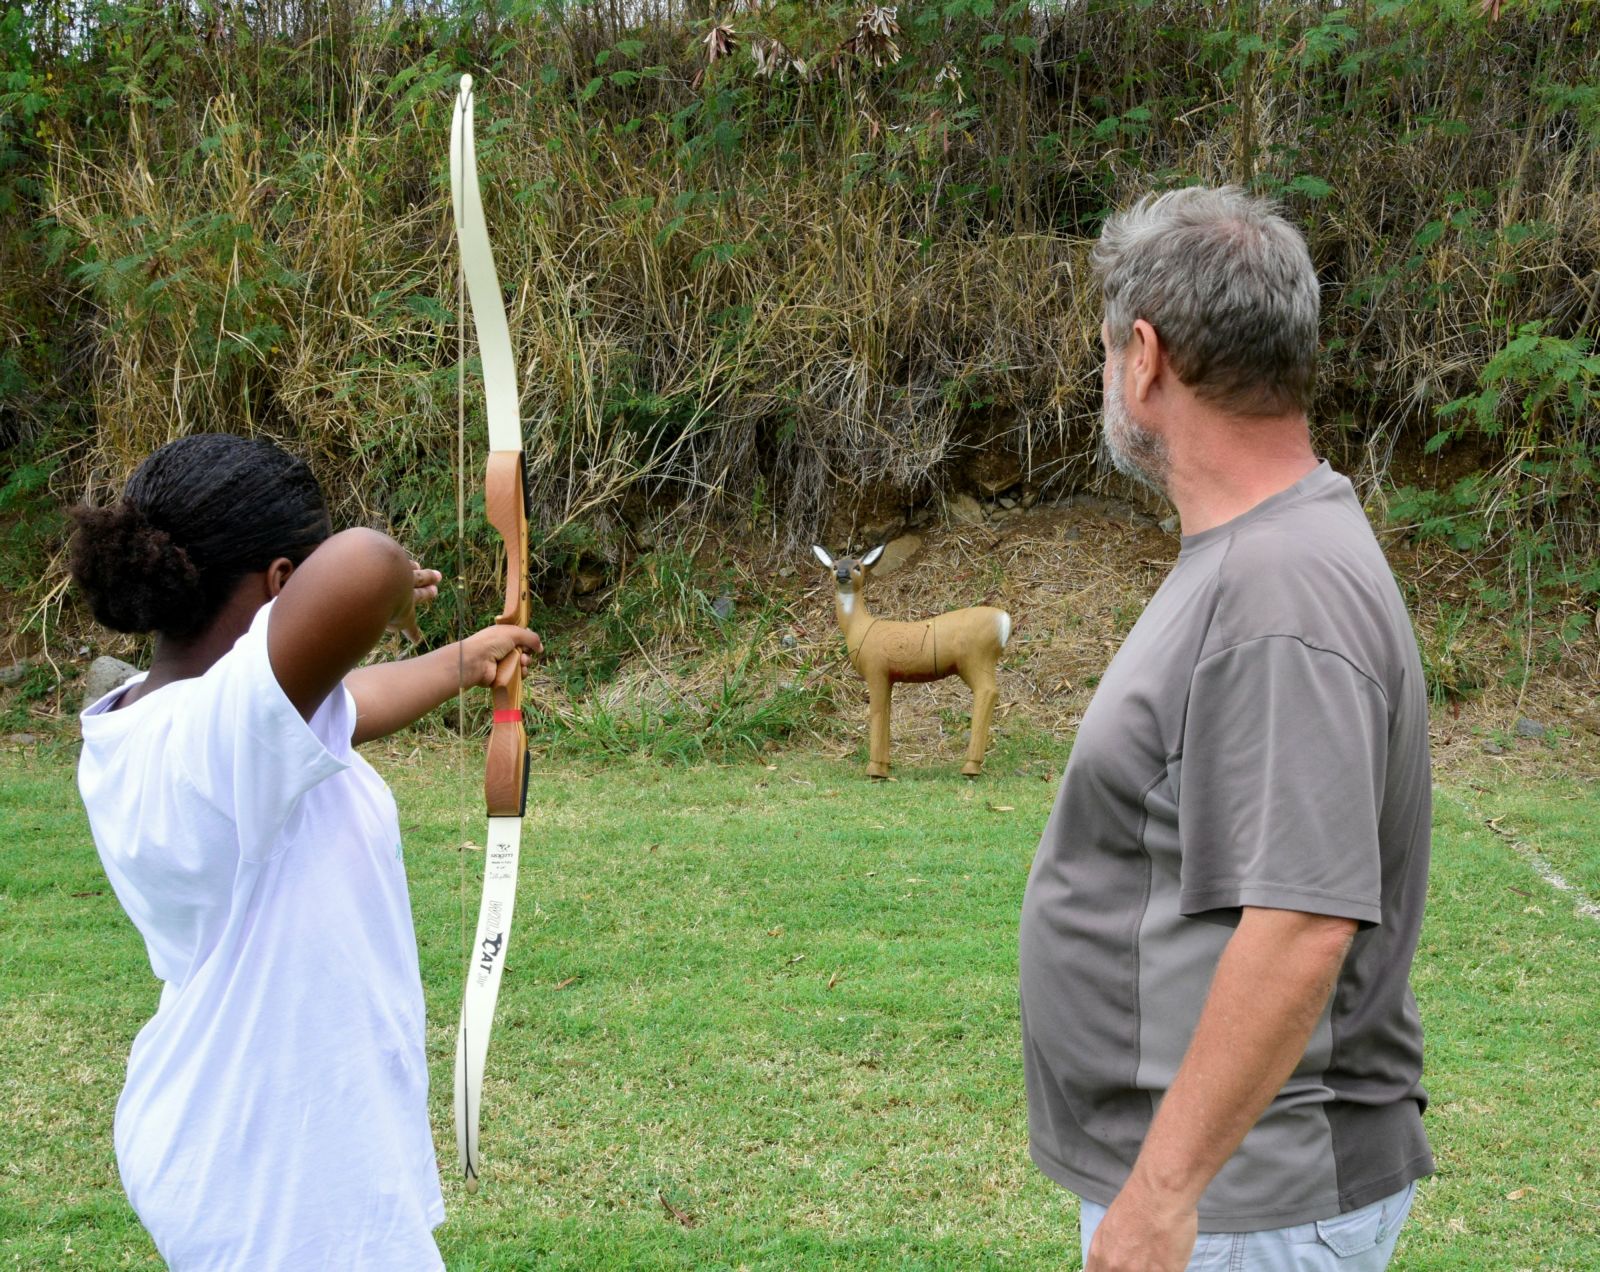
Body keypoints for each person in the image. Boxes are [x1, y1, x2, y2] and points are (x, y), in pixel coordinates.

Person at [1018, 186, 1433, 1272]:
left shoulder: (1280, 589)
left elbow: (1301, 922)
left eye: (1107, 352)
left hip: (1243, 1212)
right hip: (1222, 1200)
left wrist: (1161, 1196)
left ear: (1144, 358)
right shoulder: (1259, 557)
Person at [70, 433, 542, 1270]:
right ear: (282, 584)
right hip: (282, 1177)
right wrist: (384, 582)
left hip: (232, 1136)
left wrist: (461, 661)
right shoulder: (212, 740)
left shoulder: (155, 722)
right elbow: (363, 563)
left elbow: (343, 700)